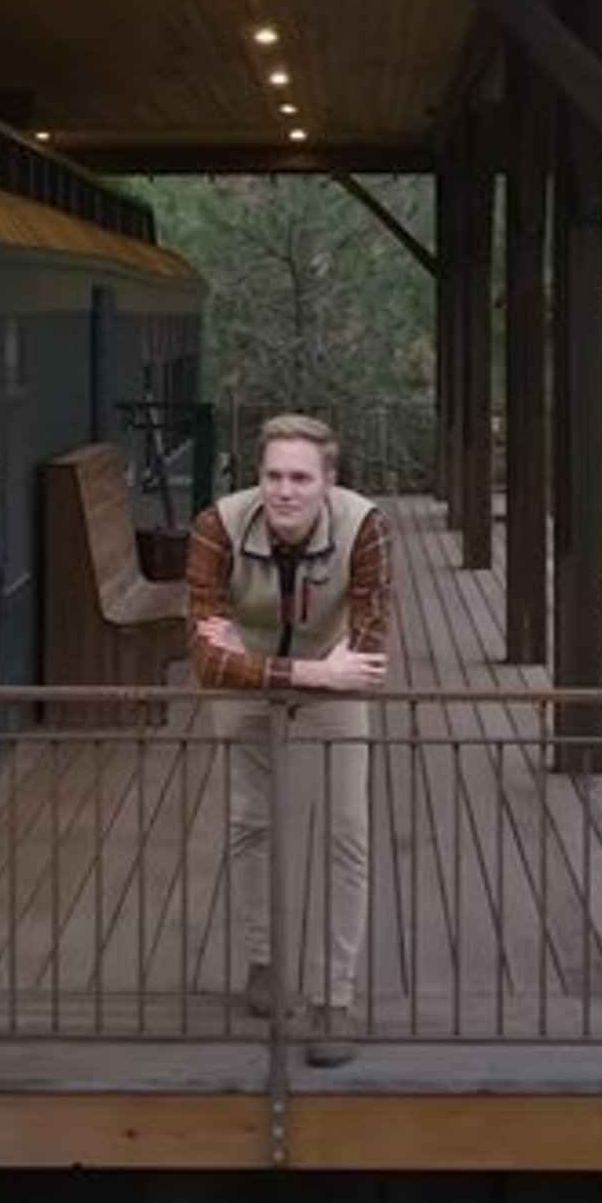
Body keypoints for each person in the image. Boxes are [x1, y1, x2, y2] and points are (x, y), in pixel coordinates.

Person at [186, 412, 390, 1067]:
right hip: (266, 682)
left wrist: (322, 671)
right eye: (274, 475)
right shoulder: (217, 525)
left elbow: (370, 649)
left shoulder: (365, 526)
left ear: (328, 481)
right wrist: (305, 669)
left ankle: (334, 997)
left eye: (301, 477)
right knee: (249, 822)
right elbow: (206, 660)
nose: (285, 490)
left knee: (346, 833)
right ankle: (265, 963)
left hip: (334, 686)